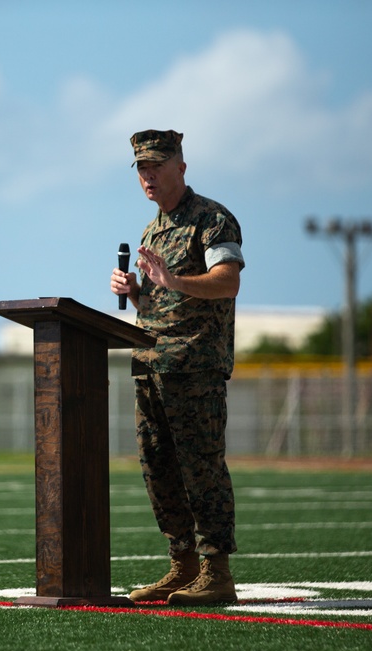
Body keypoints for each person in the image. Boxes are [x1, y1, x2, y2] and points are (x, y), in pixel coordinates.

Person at [110, 129, 244, 605]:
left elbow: (226, 282)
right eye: (142, 169)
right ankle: (182, 566)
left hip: (194, 365)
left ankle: (216, 572)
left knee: (200, 469)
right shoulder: (153, 229)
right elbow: (160, 298)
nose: (148, 176)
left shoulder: (212, 219)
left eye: (156, 167)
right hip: (149, 364)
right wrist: (135, 291)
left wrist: (171, 278)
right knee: (159, 469)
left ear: (180, 169)